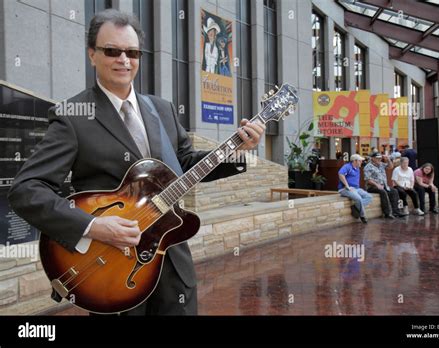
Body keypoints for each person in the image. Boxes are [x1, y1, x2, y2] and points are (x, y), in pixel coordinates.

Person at [7, 9, 266, 315]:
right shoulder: (72, 117)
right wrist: (94, 226)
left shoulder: (162, 109)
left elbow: (185, 163)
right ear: (92, 54)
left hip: (172, 268)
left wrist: (240, 150)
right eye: (111, 51)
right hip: (113, 274)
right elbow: (26, 190)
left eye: (132, 52)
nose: (123, 60)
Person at [364, 152, 406, 219]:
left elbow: (390, 166)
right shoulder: (368, 167)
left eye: (380, 158)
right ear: (372, 158)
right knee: (383, 192)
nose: (379, 159)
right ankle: (387, 213)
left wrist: (388, 159)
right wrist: (377, 185)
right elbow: (368, 179)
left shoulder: (381, 164)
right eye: (377, 158)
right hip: (372, 187)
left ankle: (396, 212)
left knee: (394, 191)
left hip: (384, 185)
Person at [338, 154, 373, 223]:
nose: (361, 162)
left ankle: (355, 207)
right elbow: (340, 174)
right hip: (345, 189)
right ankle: (363, 216)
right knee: (359, 198)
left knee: (369, 197)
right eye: (360, 161)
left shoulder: (357, 168)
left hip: (356, 188)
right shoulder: (347, 166)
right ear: (355, 161)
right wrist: (347, 186)